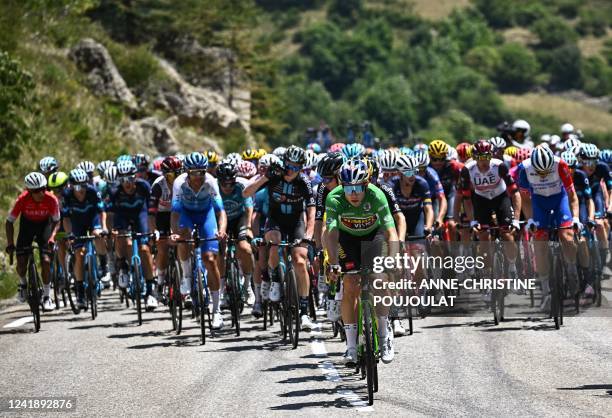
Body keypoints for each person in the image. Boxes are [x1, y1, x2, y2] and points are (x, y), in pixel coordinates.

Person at [326, 159, 399, 365]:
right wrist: (332, 263)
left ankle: (384, 336)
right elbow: (330, 233)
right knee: (350, 285)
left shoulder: (377, 195)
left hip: (372, 238)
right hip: (347, 240)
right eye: (349, 188)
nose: (354, 194)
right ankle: (350, 346)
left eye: (358, 188)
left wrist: (394, 259)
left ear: (366, 185)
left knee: (380, 280)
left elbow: (391, 232)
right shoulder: (334, 198)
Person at [243, 145, 316, 331]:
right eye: (289, 166)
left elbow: (311, 210)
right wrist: (265, 177)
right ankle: (275, 279)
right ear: (283, 164)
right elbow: (246, 193)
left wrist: (308, 235)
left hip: (296, 223)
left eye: (296, 167)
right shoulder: (273, 177)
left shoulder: (304, 182)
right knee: (274, 242)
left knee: (300, 261)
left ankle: (304, 312)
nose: (292, 171)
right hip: (275, 222)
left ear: (301, 168)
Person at [517, 145, 580, 310]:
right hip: (538, 202)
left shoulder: (560, 164)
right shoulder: (524, 168)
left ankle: (572, 271)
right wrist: (530, 220)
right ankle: (546, 292)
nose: (543, 175)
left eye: (546, 171)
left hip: (560, 200)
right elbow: (525, 199)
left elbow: (572, 196)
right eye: (540, 172)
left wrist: (575, 218)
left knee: (567, 236)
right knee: (540, 244)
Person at [460, 140, 522, 301]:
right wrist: (473, 220)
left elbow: (515, 193)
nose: (483, 161)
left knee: (507, 234)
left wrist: (515, 219)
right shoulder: (467, 170)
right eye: (480, 157)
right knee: (483, 238)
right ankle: (487, 280)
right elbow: (466, 199)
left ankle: (513, 270)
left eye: (487, 156)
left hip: (500, 198)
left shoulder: (499, 166)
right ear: (474, 157)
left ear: (491, 155)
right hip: (481, 201)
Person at [171, 152, 227, 329]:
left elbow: (220, 211)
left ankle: (217, 310)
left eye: (202, 172)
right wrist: (174, 233)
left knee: (210, 260)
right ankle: (187, 275)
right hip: (186, 214)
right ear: (187, 172)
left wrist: (222, 231)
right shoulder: (179, 183)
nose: (199, 176)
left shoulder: (211, 181)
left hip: (206, 215)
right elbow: (175, 213)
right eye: (195, 173)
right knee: (183, 237)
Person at [107, 160, 158, 311]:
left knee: (144, 249)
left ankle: (151, 291)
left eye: (129, 178)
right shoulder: (115, 191)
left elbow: (151, 210)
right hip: (122, 215)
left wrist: (152, 230)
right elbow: (110, 215)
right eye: (122, 179)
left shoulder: (144, 186)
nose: (126, 183)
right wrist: (112, 230)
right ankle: (122, 265)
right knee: (121, 238)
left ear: (135, 177)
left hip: (140, 215)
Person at [5, 172, 60, 311]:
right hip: (27, 226)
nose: (41, 193)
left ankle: (47, 296)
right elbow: (9, 222)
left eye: (43, 188)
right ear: (29, 191)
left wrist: (52, 237)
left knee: (46, 261)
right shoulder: (22, 199)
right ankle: (23, 284)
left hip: (45, 226)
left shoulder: (51, 199)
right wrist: (10, 243)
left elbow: (56, 221)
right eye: (36, 191)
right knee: (22, 262)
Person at [62, 169, 108, 309]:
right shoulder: (67, 195)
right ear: (71, 186)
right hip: (76, 223)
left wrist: (104, 228)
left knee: (98, 235)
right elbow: (66, 218)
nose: (81, 190)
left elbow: (102, 212)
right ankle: (80, 292)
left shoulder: (93, 191)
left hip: (92, 219)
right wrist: (69, 234)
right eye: (77, 187)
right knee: (79, 254)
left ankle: (103, 265)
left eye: (83, 186)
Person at [215, 162, 256, 316]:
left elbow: (248, 209)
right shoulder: (213, 188)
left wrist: (249, 228)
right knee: (220, 252)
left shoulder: (241, 186)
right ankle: (223, 289)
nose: (227, 186)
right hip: (220, 220)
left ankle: (247, 286)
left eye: (230, 182)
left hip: (239, 219)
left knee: (245, 248)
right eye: (223, 183)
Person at [148, 156, 182, 297]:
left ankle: (186, 277)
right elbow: (150, 213)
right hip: (162, 216)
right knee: (162, 247)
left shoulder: (184, 182)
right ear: (164, 174)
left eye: (177, 173)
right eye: (171, 175)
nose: (175, 177)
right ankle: (160, 281)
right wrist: (154, 230)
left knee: (184, 243)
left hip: (179, 214)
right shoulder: (158, 186)